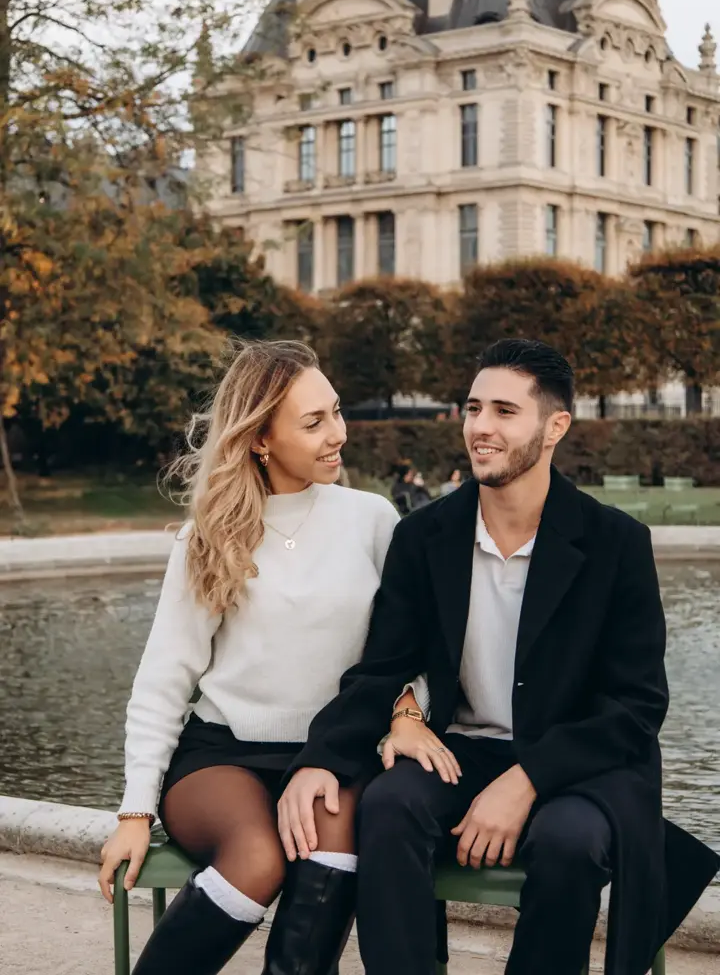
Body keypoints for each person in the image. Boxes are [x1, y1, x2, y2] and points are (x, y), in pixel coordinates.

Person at [279, 339, 720, 975]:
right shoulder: (424, 536)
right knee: (388, 805)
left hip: (578, 763)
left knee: (568, 843)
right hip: (463, 750)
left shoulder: (616, 543)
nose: (480, 427)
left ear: (555, 426)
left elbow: (636, 707)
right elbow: (383, 668)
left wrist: (529, 778)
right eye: (473, 407)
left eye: (505, 411)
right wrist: (321, 758)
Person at [97, 340, 399, 975]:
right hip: (221, 755)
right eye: (313, 423)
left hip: (333, 756)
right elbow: (163, 680)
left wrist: (406, 715)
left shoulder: (373, 520)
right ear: (260, 438)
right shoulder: (209, 536)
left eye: (336, 413)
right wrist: (133, 811)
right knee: (257, 857)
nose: (336, 434)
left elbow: (405, 652)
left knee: (332, 846)